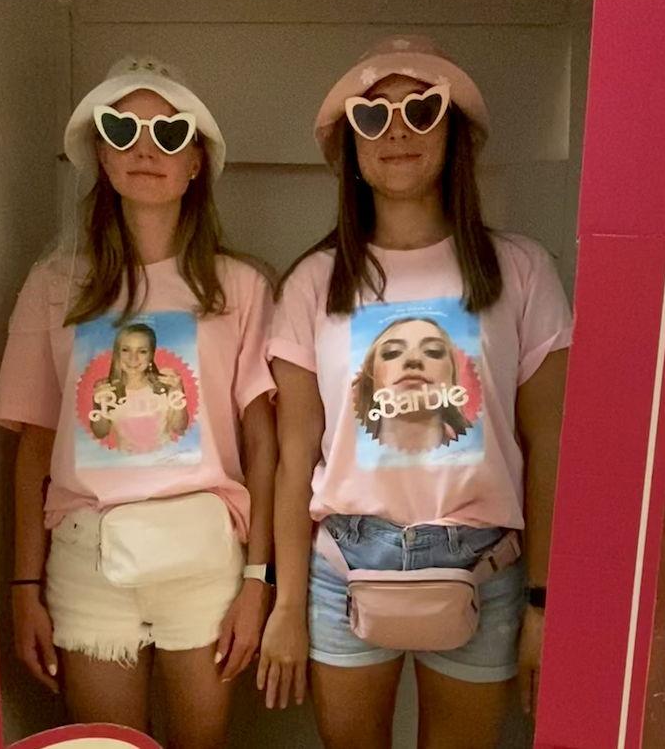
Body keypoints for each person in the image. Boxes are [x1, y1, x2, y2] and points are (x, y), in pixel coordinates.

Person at [258, 36, 572, 748]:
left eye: (421, 111)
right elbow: (293, 454)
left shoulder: (520, 270)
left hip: (487, 568)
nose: (396, 131)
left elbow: (549, 442)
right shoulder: (312, 282)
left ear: (454, 132)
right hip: (342, 569)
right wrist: (286, 602)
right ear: (351, 146)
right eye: (372, 116)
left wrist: (543, 603)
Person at [0, 55, 277, 748]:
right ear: (100, 152)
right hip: (88, 561)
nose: (145, 149)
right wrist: (23, 587)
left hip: (206, 557)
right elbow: (33, 445)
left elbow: (264, 443)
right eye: (122, 130)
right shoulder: (55, 284)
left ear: (196, 162)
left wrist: (258, 579)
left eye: (169, 134)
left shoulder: (239, 287)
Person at [352, 316, 473, 453]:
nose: (413, 359)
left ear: (452, 377)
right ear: (371, 378)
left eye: (433, 351)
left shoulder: (476, 450)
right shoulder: (349, 450)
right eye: (392, 352)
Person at [89, 322, 189, 453]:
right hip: (127, 463)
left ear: (151, 355)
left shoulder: (165, 385)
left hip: (166, 460)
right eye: (126, 350)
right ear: (117, 353)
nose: (133, 358)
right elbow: (100, 433)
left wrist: (178, 391)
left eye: (142, 351)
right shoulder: (106, 389)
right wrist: (99, 404)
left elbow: (179, 428)